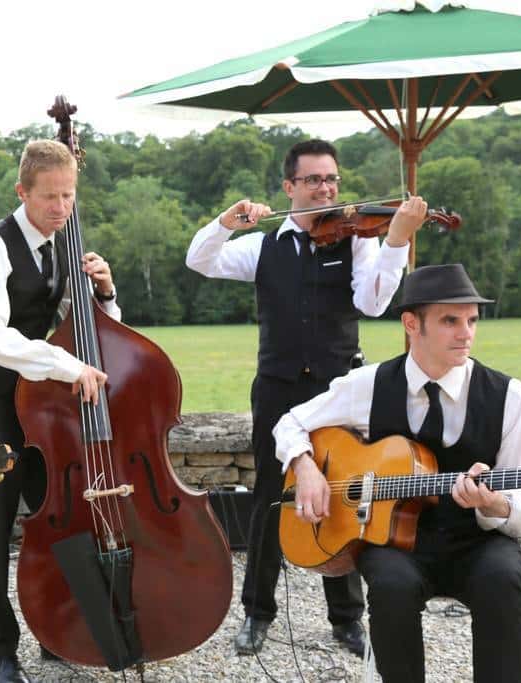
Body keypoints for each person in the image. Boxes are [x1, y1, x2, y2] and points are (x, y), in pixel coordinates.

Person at [185, 138, 428, 656]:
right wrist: (226, 222)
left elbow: (373, 301)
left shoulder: (359, 239)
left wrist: (396, 242)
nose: (327, 188)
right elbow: (200, 260)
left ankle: (346, 618)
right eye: (315, 179)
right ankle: (257, 614)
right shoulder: (264, 246)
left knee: (341, 492)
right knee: (271, 498)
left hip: (337, 387)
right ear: (289, 187)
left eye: (332, 179)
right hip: (276, 386)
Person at [275, 263, 521, 682]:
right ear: (411, 324)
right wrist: (304, 465)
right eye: (450, 320)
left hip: (478, 541)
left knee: (505, 576)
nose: (465, 332)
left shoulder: (511, 397)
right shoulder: (368, 384)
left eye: (472, 320)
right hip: (396, 542)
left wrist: (494, 504)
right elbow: (289, 422)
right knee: (391, 585)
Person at [0, 139, 120, 683]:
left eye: (69, 196)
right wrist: (67, 368)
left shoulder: (63, 246)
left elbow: (86, 327)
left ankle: (55, 630)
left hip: (37, 402)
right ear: (22, 191)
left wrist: (105, 292)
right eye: (49, 197)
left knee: (55, 514)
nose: (61, 208)